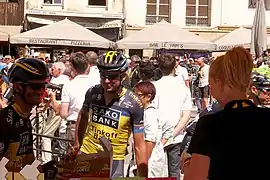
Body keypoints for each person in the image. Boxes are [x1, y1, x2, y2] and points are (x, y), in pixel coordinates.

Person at [184, 47, 270, 180]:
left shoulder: (210, 125)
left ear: (219, 83)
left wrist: (186, 164)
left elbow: (196, 177)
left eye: (211, 83)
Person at [75, 51, 148, 178]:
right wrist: (77, 145)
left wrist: (143, 176)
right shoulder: (92, 93)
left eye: (112, 76)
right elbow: (83, 116)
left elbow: (140, 145)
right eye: (103, 76)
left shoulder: (134, 103)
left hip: (114, 160)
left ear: (123, 76)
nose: (107, 81)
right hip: (87, 153)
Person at [0, 58, 49, 171]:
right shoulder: (4, 122)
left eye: (43, 86)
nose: (41, 91)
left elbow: (29, 163)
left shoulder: (24, 119)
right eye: (36, 86)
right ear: (18, 87)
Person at [153, 54, 192, 180]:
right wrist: (173, 133)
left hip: (157, 136)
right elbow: (186, 115)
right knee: (174, 173)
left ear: (159, 67)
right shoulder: (184, 89)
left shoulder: (154, 87)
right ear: (175, 67)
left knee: (155, 172)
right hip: (176, 135)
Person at [134, 81, 173, 177]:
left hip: (150, 161)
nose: (135, 98)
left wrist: (142, 164)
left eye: (138, 95)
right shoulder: (147, 112)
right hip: (153, 157)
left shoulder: (150, 114)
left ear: (148, 97)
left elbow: (150, 140)